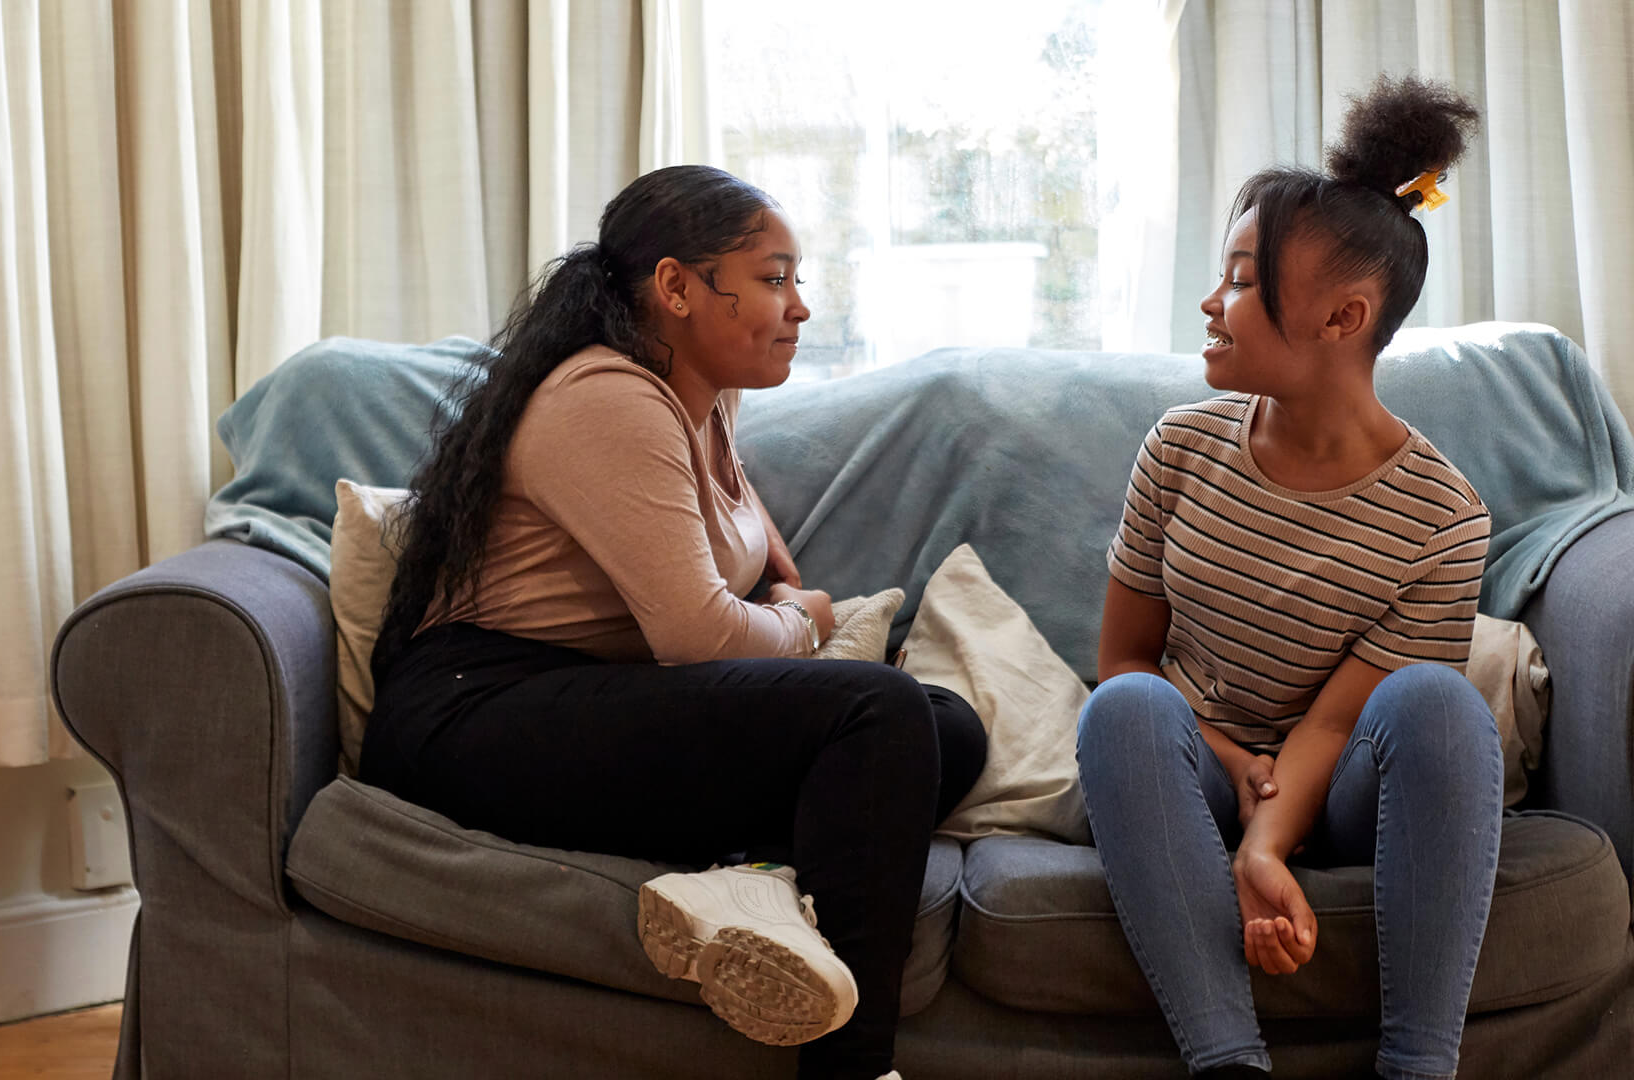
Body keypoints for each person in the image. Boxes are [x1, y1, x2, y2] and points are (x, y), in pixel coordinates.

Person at [361, 164, 988, 1080]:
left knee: (946, 728)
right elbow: (697, 637)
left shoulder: (702, 398)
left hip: (585, 700)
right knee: (879, 709)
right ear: (677, 287)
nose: (801, 308)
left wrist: (771, 575)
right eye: (775, 279)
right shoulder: (607, 398)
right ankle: (852, 1068)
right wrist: (802, 621)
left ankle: (759, 887)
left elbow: (724, 538)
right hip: (475, 712)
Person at [1076, 76, 1500, 1080]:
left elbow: (1341, 724)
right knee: (1125, 708)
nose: (1209, 303)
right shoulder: (1179, 449)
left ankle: (1418, 1067)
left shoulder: (1444, 517)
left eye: (1238, 279)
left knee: (1439, 701)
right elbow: (1123, 661)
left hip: (1338, 785)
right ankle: (1229, 1062)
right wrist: (1225, 761)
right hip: (1192, 779)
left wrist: (1267, 847)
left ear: (1341, 317)